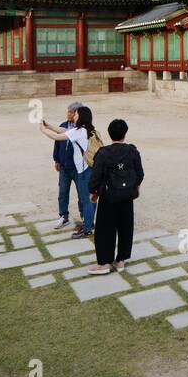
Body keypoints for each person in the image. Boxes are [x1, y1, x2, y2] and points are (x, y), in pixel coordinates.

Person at [86, 118, 145, 274]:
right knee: (126, 227)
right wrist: (136, 187)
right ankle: (120, 260)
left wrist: (93, 193)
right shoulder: (132, 151)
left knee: (105, 228)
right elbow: (139, 173)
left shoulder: (103, 153)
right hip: (127, 196)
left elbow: (96, 175)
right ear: (125, 133)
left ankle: (104, 263)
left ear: (109, 133)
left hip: (108, 196)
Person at [39, 105, 102, 238]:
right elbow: (64, 130)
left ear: (81, 116)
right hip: (92, 168)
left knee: (86, 200)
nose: (74, 116)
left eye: (76, 114)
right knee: (91, 198)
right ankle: (89, 224)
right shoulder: (89, 130)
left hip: (85, 171)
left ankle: (87, 229)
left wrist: (42, 129)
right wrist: (49, 125)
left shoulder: (79, 132)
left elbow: (57, 137)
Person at [47, 101, 82, 231]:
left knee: (81, 193)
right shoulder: (63, 125)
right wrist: (56, 159)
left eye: (70, 112)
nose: (68, 114)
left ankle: (84, 216)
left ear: (76, 114)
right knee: (63, 192)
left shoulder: (82, 129)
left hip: (78, 167)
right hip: (64, 166)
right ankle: (63, 216)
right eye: (68, 111)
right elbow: (57, 142)